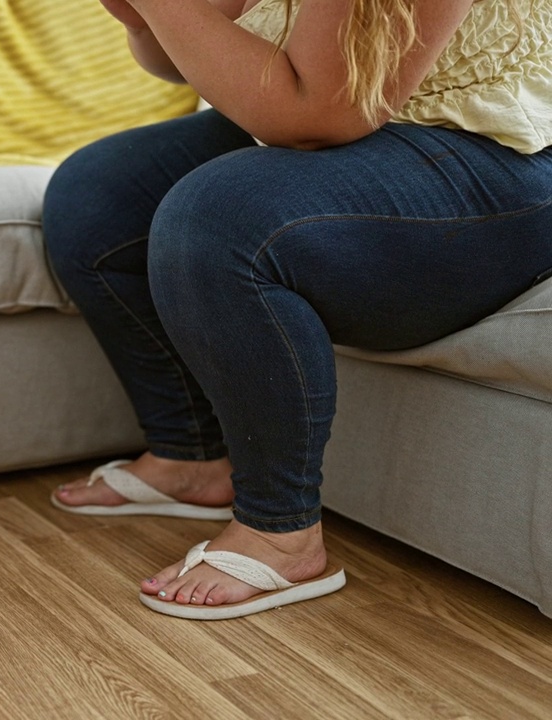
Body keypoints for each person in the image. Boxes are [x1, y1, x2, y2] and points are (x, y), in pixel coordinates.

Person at [44, 0, 552, 619]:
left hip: (497, 153)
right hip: (370, 123)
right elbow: (178, 55)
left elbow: (318, 112)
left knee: (219, 215)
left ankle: (280, 532)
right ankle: (192, 454)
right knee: (97, 195)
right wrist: (140, 16)